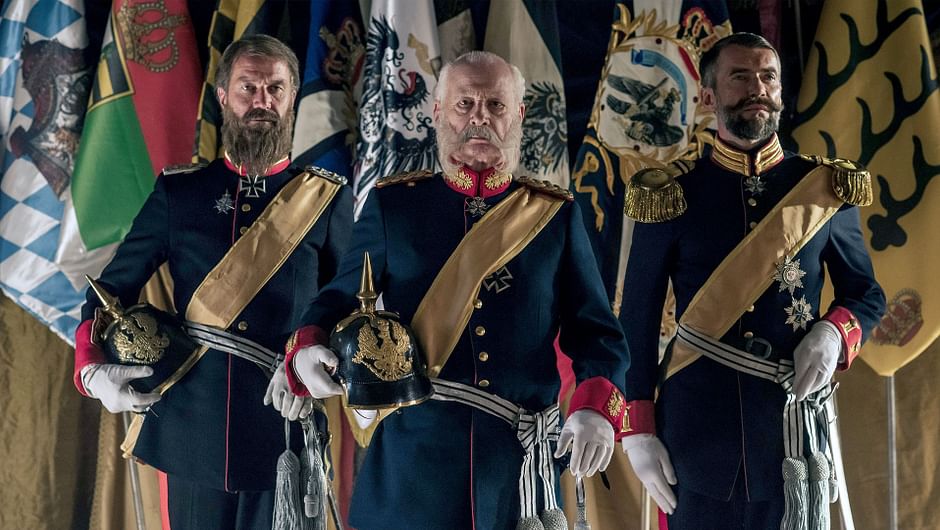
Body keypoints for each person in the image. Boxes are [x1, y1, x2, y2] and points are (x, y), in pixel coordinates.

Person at [275, 51, 631, 529]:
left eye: (495, 105)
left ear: (518, 115)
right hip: (411, 470)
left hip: (514, 470)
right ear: (438, 112)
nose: (480, 117)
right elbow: (336, 298)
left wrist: (595, 407)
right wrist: (306, 346)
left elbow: (597, 334)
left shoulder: (554, 217)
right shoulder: (393, 206)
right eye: (465, 104)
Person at [72, 34, 353, 529]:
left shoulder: (325, 200)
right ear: (223, 96)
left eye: (275, 88)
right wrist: (92, 369)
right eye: (248, 87)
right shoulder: (181, 193)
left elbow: (349, 304)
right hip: (192, 431)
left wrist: (313, 351)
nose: (262, 101)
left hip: (283, 425)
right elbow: (110, 290)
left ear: (292, 98)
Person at [618, 32, 886, 529]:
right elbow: (636, 317)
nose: (757, 88)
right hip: (695, 433)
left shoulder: (824, 188)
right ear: (708, 96)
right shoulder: (673, 194)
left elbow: (866, 295)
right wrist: (637, 427)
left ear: (781, 91)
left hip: (790, 433)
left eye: (768, 77)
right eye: (740, 77)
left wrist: (834, 333)